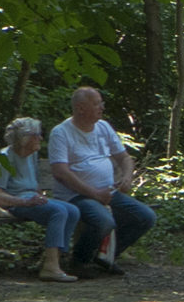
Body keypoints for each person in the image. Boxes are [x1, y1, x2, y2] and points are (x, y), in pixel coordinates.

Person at [46, 84, 155, 275]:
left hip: (107, 191)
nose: (102, 108)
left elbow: (124, 157)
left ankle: (106, 255)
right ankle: (80, 261)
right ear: (80, 108)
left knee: (145, 216)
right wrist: (94, 193)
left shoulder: (103, 127)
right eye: (97, 104)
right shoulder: (61, 132)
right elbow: (60, 172)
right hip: (76, 195)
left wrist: (127, 178)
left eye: (101, 103)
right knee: (104, 221)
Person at [0, 117, 80, 283]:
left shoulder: (31, 154)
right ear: (24, 138)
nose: (41, 138)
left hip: (31, 199)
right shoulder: (4, 157)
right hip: (15, 203)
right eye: (37, 135)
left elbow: (33, 185)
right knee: (57, 211)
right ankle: (51, 267)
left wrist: (40, 197)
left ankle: (53, 261)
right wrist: (24, 202)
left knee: (72, 210)